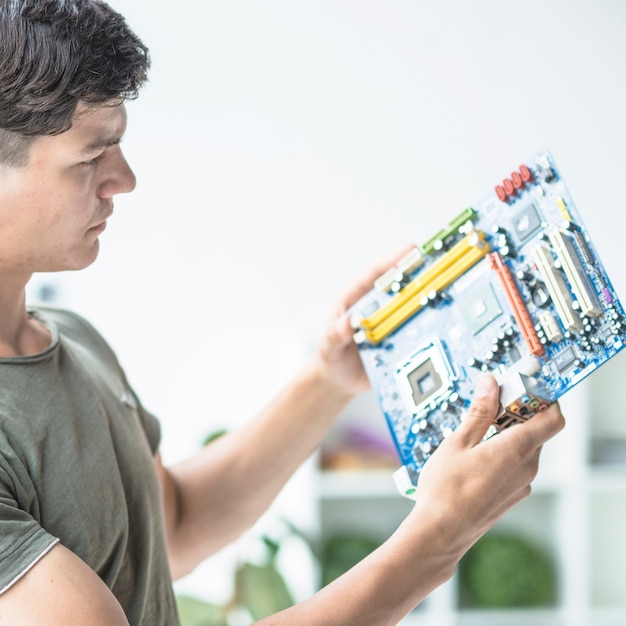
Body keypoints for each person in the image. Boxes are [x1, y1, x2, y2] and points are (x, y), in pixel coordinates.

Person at [0, 1, 565, 624]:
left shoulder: (73, 341)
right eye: (90, 158)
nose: (125, 179)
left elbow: (177, 528)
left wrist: (326, 381)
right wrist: (438, 539)